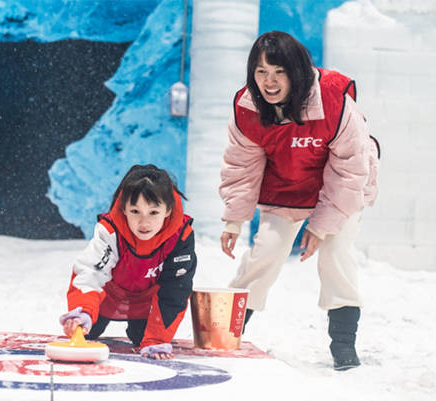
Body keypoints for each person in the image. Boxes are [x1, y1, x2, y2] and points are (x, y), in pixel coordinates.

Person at [219, 31, 379, 371]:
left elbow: (351, 171)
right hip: (288, 184)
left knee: (336, 256)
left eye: (279, 72)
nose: (269, 82)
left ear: (297, 71)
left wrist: (321, 227)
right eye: (261, 72)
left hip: (341, 188)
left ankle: (343, 346)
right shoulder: (247, 107)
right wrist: (234, 218)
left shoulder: (334, 103)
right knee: (266, 254)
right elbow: (241, 166)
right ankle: (229, 333)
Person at [60, 164, 197, 360]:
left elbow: (176, 289)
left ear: (168, 210)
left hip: (148, 301)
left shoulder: (181, 236)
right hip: (108, 295)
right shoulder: (110, 230)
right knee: (86, 330)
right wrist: (83, 311)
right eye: (135, 211)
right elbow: (91, 270)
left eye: (153, 212)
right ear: (123, 208)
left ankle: (144, 330)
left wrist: (157, 339)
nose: (144, 223)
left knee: (144, 339)